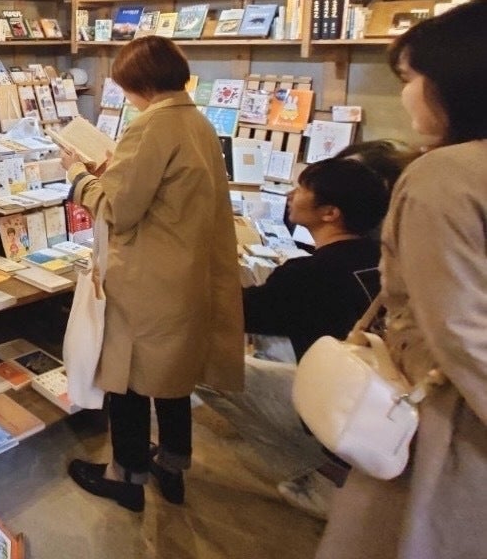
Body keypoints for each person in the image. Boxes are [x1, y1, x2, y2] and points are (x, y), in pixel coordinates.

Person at [317, 0, 487, 559]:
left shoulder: (444, 175)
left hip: (448, 415)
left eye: (410, 78)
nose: (405, 94)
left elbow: (460, 331)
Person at [59, 36, 242, 513]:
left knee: (130, 380)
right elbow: (160, 193)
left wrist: (78, 176)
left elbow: (118, 209)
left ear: (140, 83)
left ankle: (126, 476)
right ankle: (173, 465)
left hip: (146, 280)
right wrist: (109, 171)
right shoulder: (197, 121)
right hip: (185, 276)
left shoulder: (150, 125)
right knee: (173, 377)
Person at [198, 158, 392, 518]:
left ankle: (322, 479)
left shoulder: (310, 274)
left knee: (201, 364)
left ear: (330, 212)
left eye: (302, 189)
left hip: (340, 410)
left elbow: (231, 314)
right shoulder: (381, 256)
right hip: (380, 405)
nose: (291, 194)